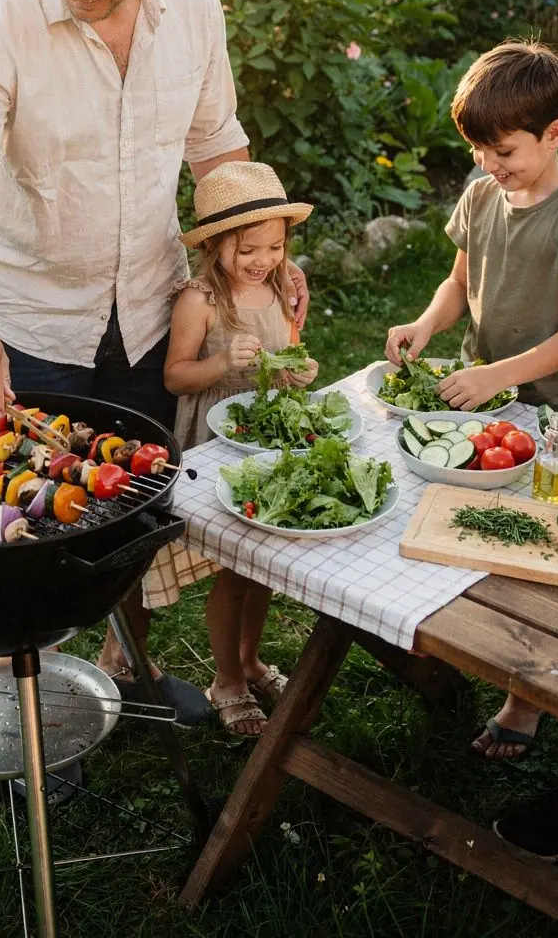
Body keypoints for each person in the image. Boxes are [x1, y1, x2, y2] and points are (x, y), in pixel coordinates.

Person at [0, 0, 308, 723]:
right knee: (35, 533)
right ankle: (34, 723)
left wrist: (261, 259)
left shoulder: (194, 7)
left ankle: (127, 669)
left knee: (139, 511)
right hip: (32, 325)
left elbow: (217, 149)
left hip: (154, 307)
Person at [386, 40, 558, 857]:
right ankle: (522, 691)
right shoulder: (482, 196)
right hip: (490, 409)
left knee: (544, 574)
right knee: (478, 548)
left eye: (504, 150)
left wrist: (499, 376)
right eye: (479, 148)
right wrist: (427, 321)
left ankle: (530, 700)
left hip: (554, 424)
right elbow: (458, 281)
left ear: (553, 135)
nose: (489, 163)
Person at [142, 162, 318, 737]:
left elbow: (283, 351)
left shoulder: (277, 287)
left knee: (259, 567)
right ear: (216, 244)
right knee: (231, 569)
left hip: (264, 441)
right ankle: (226, 678)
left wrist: (295, 371)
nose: (262, 259)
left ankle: (250, 661)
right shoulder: (201, 301)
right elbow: (174, 377)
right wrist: (220, 363)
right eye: (247, 250)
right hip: (216, 444)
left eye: (274, 246)